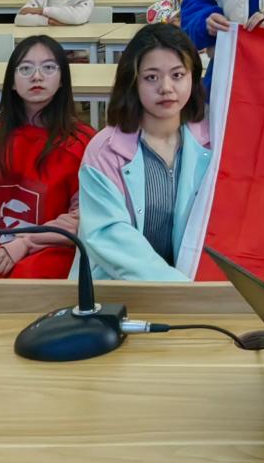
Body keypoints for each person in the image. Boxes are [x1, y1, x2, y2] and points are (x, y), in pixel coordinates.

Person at [0, 37, 96, 278]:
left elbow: (84, 217)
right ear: (12, 82)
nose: (37, 77)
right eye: (25, 69)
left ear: (62, 79)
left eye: (48, 68)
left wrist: (26, 242)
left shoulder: (82, 143)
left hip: (51, 252)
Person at [80, 23, 211, 281]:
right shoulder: (104, 151)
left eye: (177, 75)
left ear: (193, 78)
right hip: (122, 287)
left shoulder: (213, 142)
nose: (166, 87)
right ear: (133, 82)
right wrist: (182, 290)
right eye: (151, 77)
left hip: (198, 283)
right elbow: (110, 237)